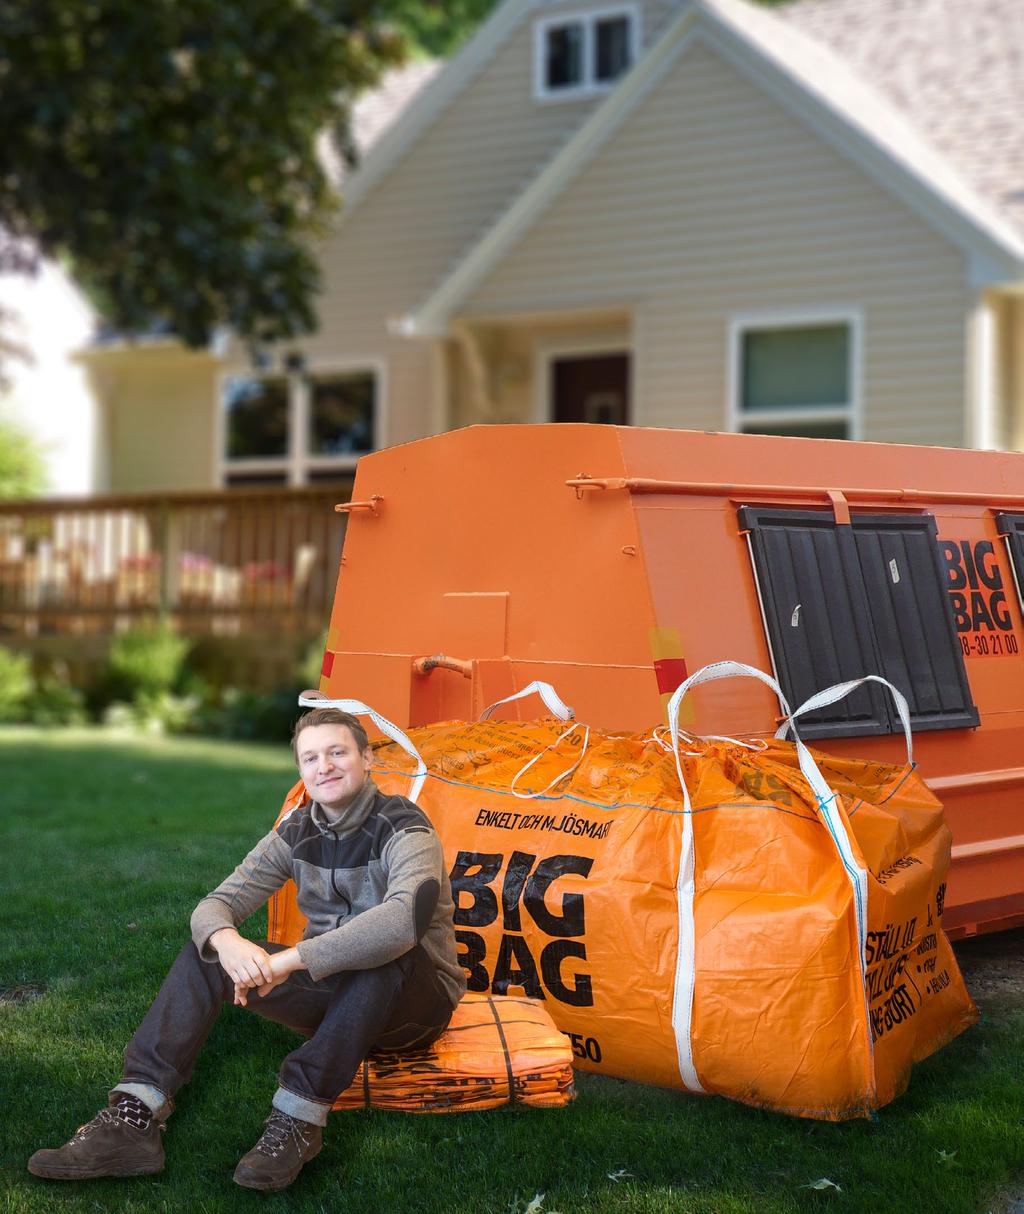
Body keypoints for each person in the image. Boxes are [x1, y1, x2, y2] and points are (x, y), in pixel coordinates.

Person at [28, 707, 465, 1192]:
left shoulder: (406, 827)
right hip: (335, 999)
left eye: (338, 752)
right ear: (301, 769)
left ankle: (297, 1120)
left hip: (414, 1008)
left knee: (381, 954)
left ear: (366, 759)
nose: (325, 766)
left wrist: (288, 960)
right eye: (311, 758)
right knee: (205, 953)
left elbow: (401, 924)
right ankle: (135, 1115)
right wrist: (227, 940)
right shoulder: (296, 831)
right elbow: (214, 905)